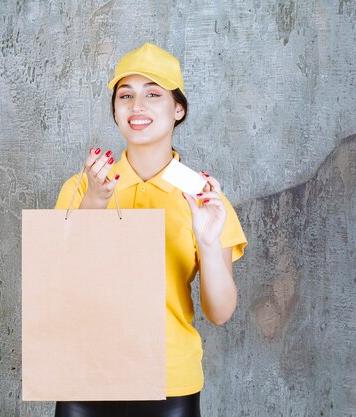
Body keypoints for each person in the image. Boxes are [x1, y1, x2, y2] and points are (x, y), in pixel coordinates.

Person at [53, 42, 247, 417]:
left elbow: (220, 313)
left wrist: (208, 243)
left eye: (153, 94)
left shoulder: (203, 197)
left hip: (170, 385)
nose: (137, 106)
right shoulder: (80, 187)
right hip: (85, 378)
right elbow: (61, 286)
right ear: (114, 110)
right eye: (125, 95)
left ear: (178, 109)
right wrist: (94, 203)